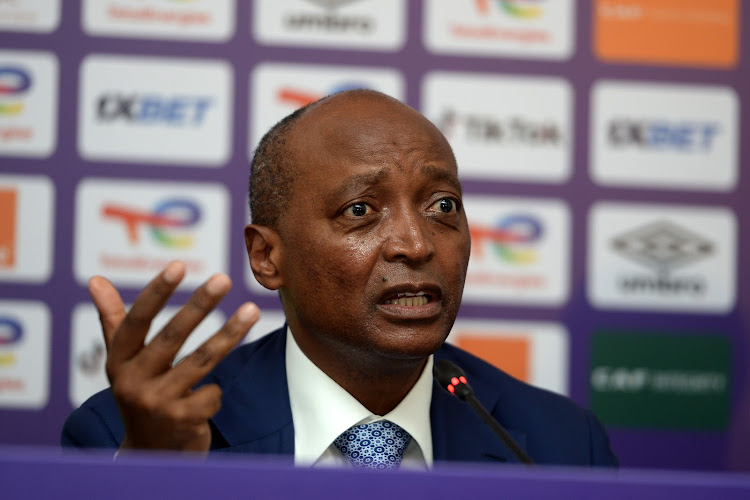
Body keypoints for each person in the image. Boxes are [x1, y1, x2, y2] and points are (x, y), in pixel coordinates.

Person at [62, 90, 617, 468]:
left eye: (442, 204)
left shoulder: (561, 445)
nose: (416, 244)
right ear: (266, 256)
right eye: (360, 211)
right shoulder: (126, 438)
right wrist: (151, 484)